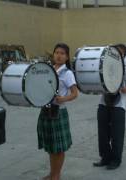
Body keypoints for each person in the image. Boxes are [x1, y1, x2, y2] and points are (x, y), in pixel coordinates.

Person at [37, 43, 78, 180]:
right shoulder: (48, 70)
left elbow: (74, 93)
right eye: (56, 53)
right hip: (45, 111)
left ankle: (56, 175)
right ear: (53, 54)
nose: (59, 56)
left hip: (58, 112)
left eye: (62, 53)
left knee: (58, 149)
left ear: (67, 57)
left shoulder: (68, 74)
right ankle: (52, 173)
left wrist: (63, 98)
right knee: (51, 147)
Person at [93, 44, 126, 170]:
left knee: (117, 134)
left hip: (119, 105)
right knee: (103, 132)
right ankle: (105, 157)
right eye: (116, 53)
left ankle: (116, 160)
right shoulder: (106, 67)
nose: (118, 55)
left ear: (124, 56)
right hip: (103, 103)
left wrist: (121, 88)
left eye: (121, 53)